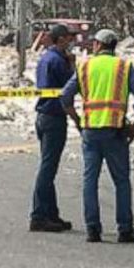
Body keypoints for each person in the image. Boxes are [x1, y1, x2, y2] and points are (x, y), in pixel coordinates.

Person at [62, 29, 134, 243]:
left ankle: (93, 229)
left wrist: (77, 120)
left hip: (91, 131)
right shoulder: (124, 67)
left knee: (90, 180)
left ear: (98, 45)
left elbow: (65, 97)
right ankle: (125, 229)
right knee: (121, 181)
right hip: (116, 132)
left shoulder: (84, 66)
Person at [28, 24, 76, 233]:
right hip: (54, 116)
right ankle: (39, 215)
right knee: (48, 168)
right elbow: (69, 87)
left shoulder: (46, 58)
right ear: (60, 39)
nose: (71, 42)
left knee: (49, 166)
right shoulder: (58, 61)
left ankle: (51, 213)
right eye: (68, 38)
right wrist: (72, 65)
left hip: (43, 115)